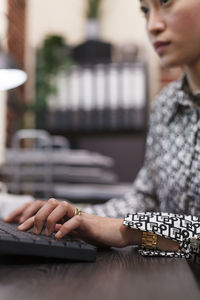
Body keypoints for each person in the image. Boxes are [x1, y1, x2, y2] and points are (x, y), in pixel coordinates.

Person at [4, 0, 200, 262]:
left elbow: (131, 227)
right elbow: (145, 199)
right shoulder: (166, 105)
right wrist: (77, 217)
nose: (153, 25)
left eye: (166, 3)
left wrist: (132, 231)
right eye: (145, 11)